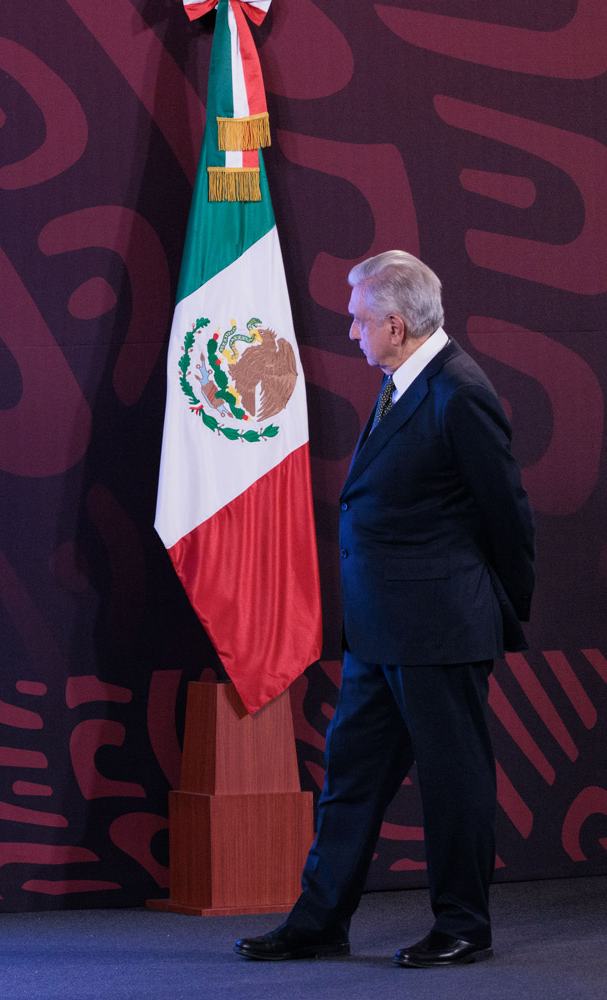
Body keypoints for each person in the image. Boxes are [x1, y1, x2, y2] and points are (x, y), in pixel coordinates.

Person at [234, 250, 535, 968]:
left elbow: (508, 515)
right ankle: (319, 922)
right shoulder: (403, 381)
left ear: (395, 325)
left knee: (453, 784)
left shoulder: (459, 392)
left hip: (438, 629)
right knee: (351, 780)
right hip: (377, 631)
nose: (350, 332)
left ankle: (463, 926)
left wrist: (494, 612)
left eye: (358, 320)